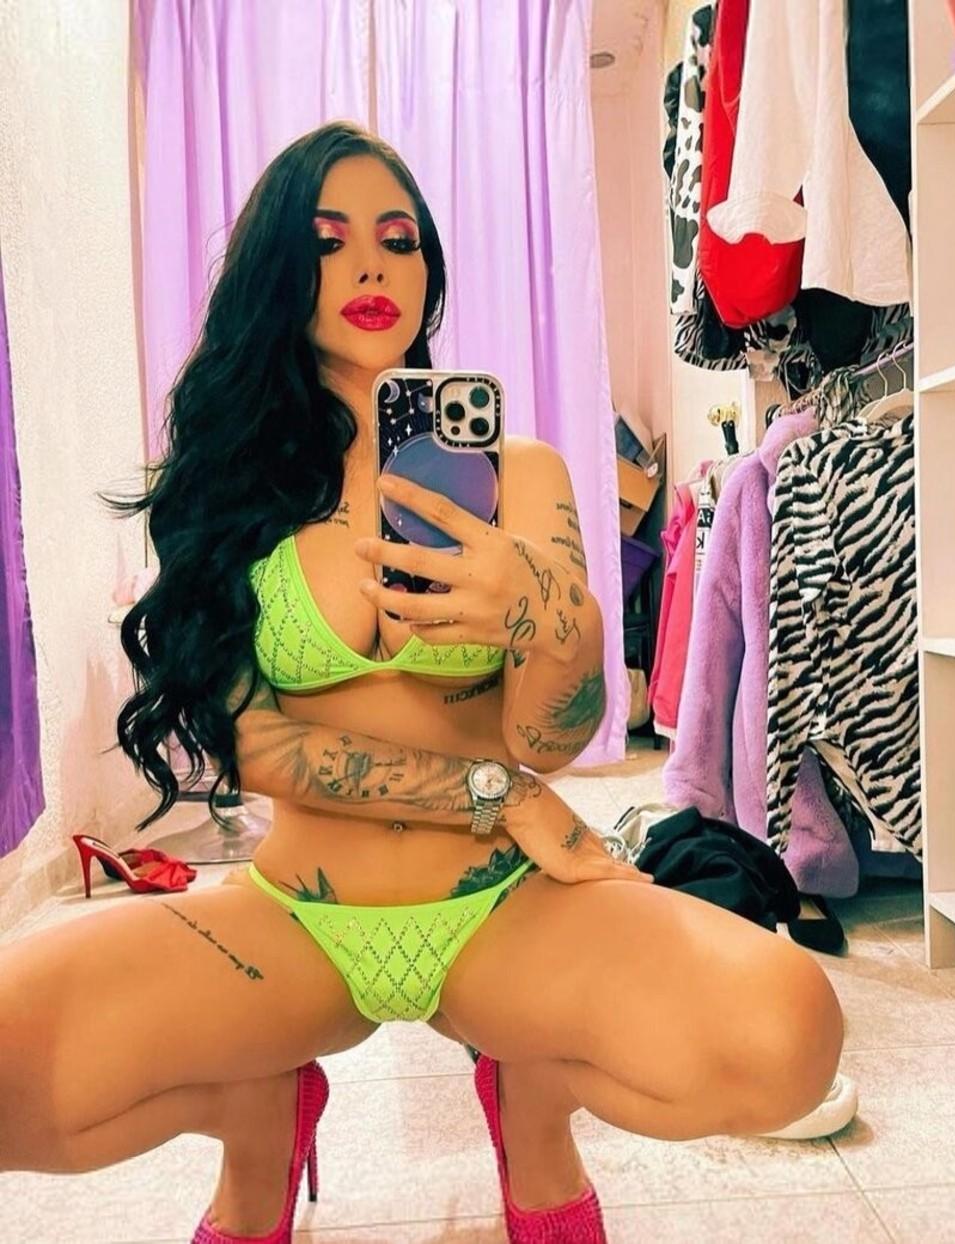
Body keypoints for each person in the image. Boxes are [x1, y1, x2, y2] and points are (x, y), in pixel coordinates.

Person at [0, 122, 843, 1242]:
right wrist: (490, 793)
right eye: (330, 241)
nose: (371, 265)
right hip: (296, 919)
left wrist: (536, 611)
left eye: (398, 240)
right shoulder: (236, 492)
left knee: (789, 1034)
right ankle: (260, 1113)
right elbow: (257, 747)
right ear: (277, 272)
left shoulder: (518, 474)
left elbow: (552, 734)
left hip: (503, 913)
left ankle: (530, 1095)